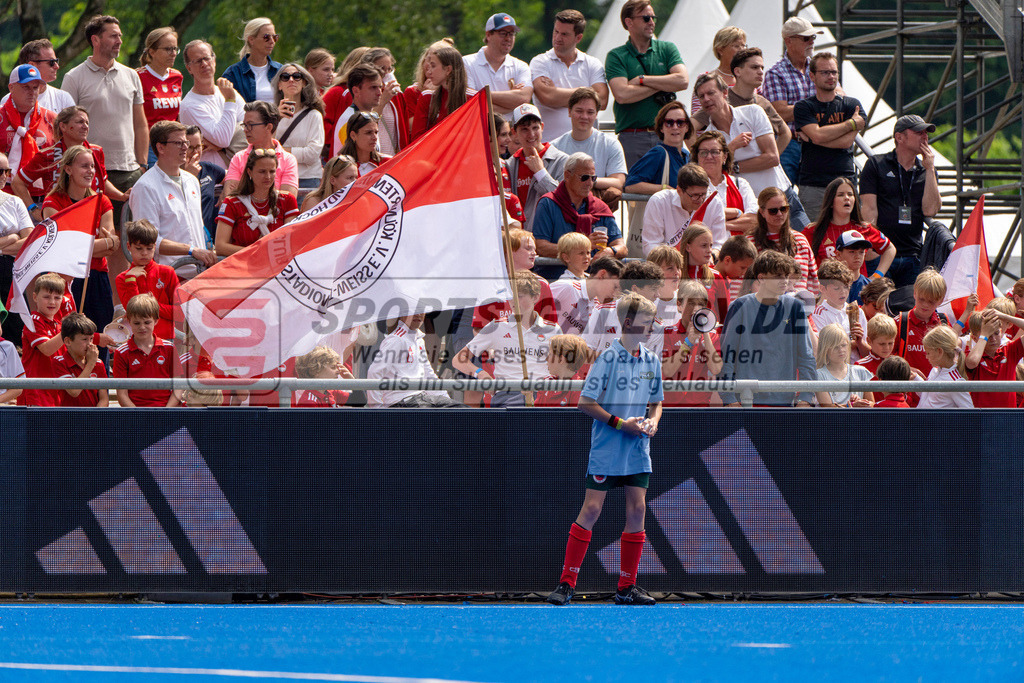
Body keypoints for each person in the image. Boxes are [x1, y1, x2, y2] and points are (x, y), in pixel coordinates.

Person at [546, 291, 663, 607]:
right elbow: (586, 402)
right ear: (628, 323)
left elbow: (657, 402)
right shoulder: (607, 359)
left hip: (638, 449)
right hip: (608, 448)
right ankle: (566, 584)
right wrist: (620, 424)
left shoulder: (651, 360)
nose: (652, 326)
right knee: (593, 509)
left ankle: (626, 587)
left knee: (638, 509)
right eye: (645, 321)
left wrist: (652, 421)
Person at [693, 72, 810, 231]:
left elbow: (772, 158)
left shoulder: (753, 112)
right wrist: (731, 148)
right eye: (701, 96)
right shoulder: (710, 138)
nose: (706, 99)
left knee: (806, 248)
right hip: (754, 211)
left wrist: (733, 165)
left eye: (711, 93)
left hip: (783, 199)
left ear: (725, 92)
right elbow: (716, 174)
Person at [61, 15, 147, 200]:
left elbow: (140, 124)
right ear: (95, 40)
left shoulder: (132, 75)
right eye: (113, 36)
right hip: (89, 169)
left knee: (128, 228)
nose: (119, 41)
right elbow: (64, 127)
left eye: (120, 36)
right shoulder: (73, 77)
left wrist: (142, 164)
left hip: (129, 169)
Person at [719, 250, 816, 407]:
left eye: (786, 276)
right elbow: (726, 356)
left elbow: (806, 356)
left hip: (784, 402)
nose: (784, 281)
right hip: (744, 402)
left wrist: (806, 396)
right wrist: (729, 398)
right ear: (761, 278)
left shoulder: (796, 307)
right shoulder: (739, 306)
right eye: (778, 276)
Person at [41, 145, 118, 340]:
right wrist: (101, 244)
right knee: (70, 337)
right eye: (84, 166)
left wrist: (84, 245)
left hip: (98, 276)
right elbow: (61, 247)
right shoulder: (53, 202)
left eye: (92, 166)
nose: (90, 171)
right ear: (68, 169)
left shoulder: (102, 201)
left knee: (99, 336)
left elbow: (113, 246)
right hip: (66, 278)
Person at [859, 115, 942, 288]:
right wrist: (871, 248)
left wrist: (930, 169)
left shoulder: (926, 170)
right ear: (899, 137)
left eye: (926, 132)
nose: (925, 136)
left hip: (912, 255)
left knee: (908, 307)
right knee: (878, 305)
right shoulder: (877, 164)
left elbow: (931, 210)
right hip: (882, 253)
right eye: (919, 132)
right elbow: (869, 210)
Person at [454, 270, 558, 408]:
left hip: (543, 394)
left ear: (535, 297)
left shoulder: (553, 329)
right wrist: (480, 373)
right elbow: (458, 359)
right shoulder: (496, 326)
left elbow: (562, 366)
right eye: (510, 297)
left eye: (519, 296)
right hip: (507, 394)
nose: (513, 302)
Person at [605, 0, 688, 168]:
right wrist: (665, 82)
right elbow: (622, 95)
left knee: (671, 190)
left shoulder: (667, 48)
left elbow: (683, 80)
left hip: (667, 135)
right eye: (645, 18)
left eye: (653, 18)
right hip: (632, 137)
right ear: (629, 22)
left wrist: (643, 80)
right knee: (632, 191)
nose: (651, 22)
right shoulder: (616, 56)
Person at [129, 121, 217, 275]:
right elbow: (147, 241)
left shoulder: (192, 181)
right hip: (168, 278)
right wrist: (192, 251)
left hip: (199, 274)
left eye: (186, 142)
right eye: (178, 143)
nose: (185, 148)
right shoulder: (145, 187)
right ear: (160, 147)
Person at [14, 105, 127, 219]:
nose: (85, 126)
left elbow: (102, 181)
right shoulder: (47, 155)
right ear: (63, 126)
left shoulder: (96, 151)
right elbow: (18, 182)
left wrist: (122, 196)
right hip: (60, 217)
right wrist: (33, 209)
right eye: (80, 122)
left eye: (87, 123)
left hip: (92, 214)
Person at [793, 52, 864, 219]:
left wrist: (812, 137)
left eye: (834, 72)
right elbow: (818, 135)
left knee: (849, 236)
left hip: (845, 181)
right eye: (825, 72)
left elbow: (846, 142)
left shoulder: (852, 105)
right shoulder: (803, 107)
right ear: (812, 76)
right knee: (814, 235)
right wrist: (851, 124)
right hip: (813, 183)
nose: (831, 76)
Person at [690, 47, 790, 154]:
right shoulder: (722, 98)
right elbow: (689, 128)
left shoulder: (762, 103)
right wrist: (700, 157)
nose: (761, 72)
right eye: (755, 67)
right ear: (737, 71)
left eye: (762, 67)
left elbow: (786, 133)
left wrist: (771, 157)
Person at [529, 9, 608, 142]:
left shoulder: (592, 63)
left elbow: (603, 101)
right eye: (556, 31)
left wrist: (557, 94)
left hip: (587, 146)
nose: (558, 38)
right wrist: (589, 93)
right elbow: (547, 96)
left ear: (579, 37)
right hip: (549, 146)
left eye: (564, 34)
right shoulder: (540, 62)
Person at [533, 152, 624, 265]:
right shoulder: (548, 203)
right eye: (584, 177)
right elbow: (541, 247)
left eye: (593, 178)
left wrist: (610, 251)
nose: (589, 183)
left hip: (592, 276)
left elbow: (622, 247)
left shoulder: (600, 207)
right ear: (567, 175)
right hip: (556, 276)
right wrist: (584, 245)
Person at [762, 16, 821, 184]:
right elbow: (780, 113)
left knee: (816, 198)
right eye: (806, 38)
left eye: (813, 37)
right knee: (784, 198)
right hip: (790, 143)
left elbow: (838, 96)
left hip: (818, 143)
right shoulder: (775, 73)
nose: (811, 42)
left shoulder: (821, 68)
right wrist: (820, 107)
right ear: (789, 41)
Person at [803, 176, 895, 278]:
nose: (847, 198)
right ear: (830, 202)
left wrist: (876, 276)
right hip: (827, 290)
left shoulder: (863, 228)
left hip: (859, 291)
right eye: (841, 195)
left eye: (850, 194)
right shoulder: (813, 231)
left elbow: (890, 249)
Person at [550, 87, 626, 211]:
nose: (584, 116)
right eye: (579, 111)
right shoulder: (555, 146)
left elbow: (618, 182)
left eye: (590, 112)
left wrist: (585, 181)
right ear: (569, 112)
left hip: (597, 213)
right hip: (563, 212)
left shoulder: (611, 144)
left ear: (596, 114)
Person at [367, 312, 463, 408]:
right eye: (413, 310)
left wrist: (446, 400)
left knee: (462, 411)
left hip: (421, 398)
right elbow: (374, 372)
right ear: (402, 313)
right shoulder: (396, 339)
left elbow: (429, 375)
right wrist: (377, 409)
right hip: (402, 402)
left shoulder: (419, 339)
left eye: (421, 310)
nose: (418, 314)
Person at [216, 148, 299, 256]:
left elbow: (292, 241)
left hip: (277, 268)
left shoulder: (287, 200)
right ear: (249, 172)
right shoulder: (232, 203)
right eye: (262, 171)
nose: (268, 177)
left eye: (272, 171)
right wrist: (257, 252)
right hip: (242, 267)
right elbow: (220, 246)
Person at [179, 40, 244, 169]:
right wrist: (230, 100)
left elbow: (252, 125)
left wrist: (220, 145)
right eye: (197, 61)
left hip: (239, 173)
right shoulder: (189, 105)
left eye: (206, 58)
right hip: (212, 179)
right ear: (189, 68)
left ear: (214, 60)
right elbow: (223, 139)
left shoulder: (225, 91)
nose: (204, 64)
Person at [503, 103, 568, 231]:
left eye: (535, 128)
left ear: (542, 127)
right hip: (519, 240)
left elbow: (564, 201)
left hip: (549, 236)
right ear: (514, 132)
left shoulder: (562, 160)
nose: (531, 134)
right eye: (524, 129)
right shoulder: (509, 165)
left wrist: (541, 173)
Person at [112, 293, 183, 407]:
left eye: (147, 322)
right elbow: (122, 394)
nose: (142, 327)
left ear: (156, 320)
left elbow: (178, 387)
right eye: (136, 323)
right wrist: (138, 415)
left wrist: (167, 411)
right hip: (135, 415)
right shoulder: (121, 352)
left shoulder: (169, 348)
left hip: (166, 412)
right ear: (128, 321)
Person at [582, 260, 664, 357]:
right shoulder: (602, 311)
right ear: (635, 289)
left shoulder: (657, 327)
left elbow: (651, 368)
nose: (657, 295)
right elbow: (585, 352)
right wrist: (617, 362)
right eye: (654, 289)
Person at [661, 279, 723, 407]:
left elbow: (716, 368)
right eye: (691, 303)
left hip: (700, 406)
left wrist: (704, 332)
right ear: (679, 305)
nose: (696, 309)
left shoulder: (712, 336)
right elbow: (667, 371)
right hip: (670, 406)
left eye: (701, 304)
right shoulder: (667, 332)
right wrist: (688, 342)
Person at [115, 220, 180, 341]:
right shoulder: (123, 278)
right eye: (139, 248)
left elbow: (179, 313)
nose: (144, 253)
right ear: (129, 246)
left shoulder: (168, 272)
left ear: (155, 247)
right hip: (136, 341)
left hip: (165, 340)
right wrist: (131, 280)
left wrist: (153, 305)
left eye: (149, 248)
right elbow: (133, 313)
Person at [642, 163, 726, 256]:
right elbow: (650, 245)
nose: (701, 199)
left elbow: (719, 244)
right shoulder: (659, 201)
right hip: (668, 265)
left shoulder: (714, 202)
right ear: (679, 190)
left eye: (704, 194)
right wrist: (673, 263)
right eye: (695, 195)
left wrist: (712, 256)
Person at [751, 187, 819, 295]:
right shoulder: (751, 242)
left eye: (783, 209)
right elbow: (743, 283)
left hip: (799, 307)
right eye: (773, 211)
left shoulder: (801, 240)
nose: (779, 214)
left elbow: (814, 281)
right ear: (762, 212)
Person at [463, 13, 533, 117]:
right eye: (503, 33)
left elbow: (524, 98)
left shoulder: (521, 66)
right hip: (480, 131)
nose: (508, 38)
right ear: (488, 35)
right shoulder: (466, 63)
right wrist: (511, 99)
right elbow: (470, 103)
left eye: (512, 33)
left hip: (510, 132)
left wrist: (480, 95)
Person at [223, 101, 299, 195]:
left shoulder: (288, 160)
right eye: (244, 125)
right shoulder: (238, 158)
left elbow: (288, 200)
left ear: (268, 127)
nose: (246, 130)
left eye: (250, 125)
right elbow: (229, 196)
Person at [271, 63, 325, 191]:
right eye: (285, 77)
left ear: (304, 83)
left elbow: (312, 154)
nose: (291, 80)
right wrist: (275, 119)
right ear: (279, 84)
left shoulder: (314, 115)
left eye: (297, 76)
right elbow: (266, 148)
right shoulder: (270, 115)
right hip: (278, 178)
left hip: (306, 179)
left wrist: (280, 151)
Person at [691, 130, 756, 235]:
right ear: (697, 157)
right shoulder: (691, 188)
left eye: (715, 152)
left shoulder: (740, 184)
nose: (709, 156)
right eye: (703, 152)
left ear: (725, 156)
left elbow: (754, 221)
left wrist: (718, 224)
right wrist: (737, 213)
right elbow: (695, 217)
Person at [2, 65, 56, 189]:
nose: (32, 92)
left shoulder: (53, 119)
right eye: (26, 87)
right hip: (4, 197)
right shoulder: (1, 116)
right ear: (11, 87)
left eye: (35, 87)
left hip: (43, 196)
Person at [893, 268, 951, 381]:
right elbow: (884, 356)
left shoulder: (943, 322)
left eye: (931, 301)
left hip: (935, 392)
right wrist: (905, 369)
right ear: (914, 293)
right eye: (921, 299)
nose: (925, 305)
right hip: (907, 391)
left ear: (941, 300)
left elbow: (952, 354)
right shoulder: (900, 322)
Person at [137, 27, 183, 166]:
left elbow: (178, 115)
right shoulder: (138, 77)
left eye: (175, 49)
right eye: (168, 49)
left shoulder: (177, 76)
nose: (173, 53)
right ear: (152, 52)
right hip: (151, 146)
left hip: (174, 144)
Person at [623, 101, 692, 195]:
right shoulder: (658, 153)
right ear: (661, 128)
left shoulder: (687, 155)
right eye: (669, 123)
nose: (675, 127)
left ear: (687, 127)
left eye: (680, 122)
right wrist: (664, 189)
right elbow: (630, 185)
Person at [18, 272, 65, 406]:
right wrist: (69, 329)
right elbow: (46, 349)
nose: (52, 302)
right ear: (34, 297)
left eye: (57, 297)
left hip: (56, 391)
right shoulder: (32, 321)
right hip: (36, 392)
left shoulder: (59, 326)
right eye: (46, 297)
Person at [964, 308, 1024, 408]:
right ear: (975, 338)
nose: (993, 339)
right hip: (983, 418)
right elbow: (972, 362)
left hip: (1008, 416)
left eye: (996, 333)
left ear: (1001, 332)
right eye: (988, 336)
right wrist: (984, 335)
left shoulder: (1009, 350)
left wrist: (1003, 316)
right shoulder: (973, 355)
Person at [0, 163, 33, 345]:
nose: (4, 175)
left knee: (14, 327)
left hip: (12, 271)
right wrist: (11, 238)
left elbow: (29, 241)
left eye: (7, 171)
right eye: (0, 171)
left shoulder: (15, 202)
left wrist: (2, 247)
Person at [410, 44, 470, 141]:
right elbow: (417, 139)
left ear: (448, 69)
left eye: (433, 66)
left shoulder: (473, 97)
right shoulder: (427, 97)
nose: (429, 72)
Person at [550, 256, 622, 335]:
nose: (614, 294)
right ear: (602, 275)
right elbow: (537, 306)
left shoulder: (596, 308)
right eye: (614, 286)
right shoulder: (566, 287)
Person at [812, 259, 869, 357]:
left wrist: (860, 342)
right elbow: (827, 349)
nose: (843, 292)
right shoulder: (818, 314)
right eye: (836, 288)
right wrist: (853, 343)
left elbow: (867, 355)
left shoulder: (858, 311)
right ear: (822, 288)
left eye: (846, 287)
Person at [51, 312, 108, 407]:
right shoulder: (59, 362)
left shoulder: (98, 364)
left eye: (91, 339)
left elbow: (104, 398)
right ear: (68, 341)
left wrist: (96, 416)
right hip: (68, 419)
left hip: (93, 419)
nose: (90, 344)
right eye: (84, 339)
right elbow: (74, 391)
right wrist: (90, 364)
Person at [1, 39, 74, 114]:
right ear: (32, 65)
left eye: (56, 61)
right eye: (51, 62)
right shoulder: (8, 101)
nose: (57, 66)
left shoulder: (64, 99)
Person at [182, 125, 226, 244]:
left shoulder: (208, 168)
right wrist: (187, 176)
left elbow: (232, 177)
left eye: (198, 147)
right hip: (185, 240)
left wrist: (225, 191)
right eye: (190, 148)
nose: (195, 152)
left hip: (206, 240)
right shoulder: (173, 174)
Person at [678, 223, 730, 323]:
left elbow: (725, 317)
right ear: (688, 247)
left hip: (710, 337)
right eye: (704, 246)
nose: (709, 250)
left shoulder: (716, 277)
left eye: (711, 245)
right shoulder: (676, 276)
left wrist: (714, 336)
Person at [222, 17, 281, 103]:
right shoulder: (233, 73)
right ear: (251, 40)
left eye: (275, 37)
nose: (272, 41)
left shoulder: (280, 71)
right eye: (266, 37)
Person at [814, 323, 874, 407]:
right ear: (825, 349)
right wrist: (851, 406)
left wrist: (862, 403)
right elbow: (828, 408)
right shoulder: (819, 375)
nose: (841, 350)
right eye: (835, 347)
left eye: (844, 345)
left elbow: (872, 403)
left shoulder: (861, 371)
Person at [690, 26, 746, 115]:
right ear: (720, 50)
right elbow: (696, 115)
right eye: (736, 46)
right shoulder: (705, 78)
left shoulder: (750, 77)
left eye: (743, 46)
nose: (742, 50)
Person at [916, 325, 972, 409]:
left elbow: (970, 413)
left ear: (939, 351)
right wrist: (915, 378)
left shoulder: (955, 382)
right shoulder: (935, 370)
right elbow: (928, 395)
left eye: (928, 353)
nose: (926, 357)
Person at [535, 333, 590, 407]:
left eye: (550, 354)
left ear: (561, 359)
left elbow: (576, 418)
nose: (546, 359)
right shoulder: (546, 383)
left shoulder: (578, 390)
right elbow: (536, 415)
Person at [339, 111, 389, 176]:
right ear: (353, 135)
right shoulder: (339, 166)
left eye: (376, 132)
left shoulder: (388, 162)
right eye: (368, 133)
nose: (375, 137)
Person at [715, 234, 757, 301]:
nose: (744, 273)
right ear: (727, 260)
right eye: (742, 268)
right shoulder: (710, 280)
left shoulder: (726, 280)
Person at [856, 309, 898, 378]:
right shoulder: (860, 366)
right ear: (869, 341)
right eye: (882, 344)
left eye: (890, 343)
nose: (887, 348)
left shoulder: (898, 365)